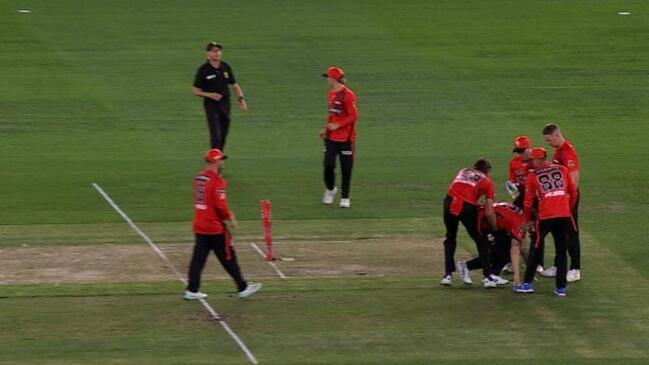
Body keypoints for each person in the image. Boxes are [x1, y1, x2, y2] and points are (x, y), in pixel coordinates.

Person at [184, 148, 261, 300]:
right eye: (221, 159)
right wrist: (229, 218)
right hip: (214, 227)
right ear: (215, 161)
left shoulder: (199, 178)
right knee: (228, 256)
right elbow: (220, 205)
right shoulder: (218, 181)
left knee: (198, 258)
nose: (223, 162)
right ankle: (242, 287)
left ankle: (192, 289)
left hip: (200, 224)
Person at [515, 147, 577, 296]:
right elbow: (573, 192)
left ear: (538, 159)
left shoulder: (532, 176)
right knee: (561, 251)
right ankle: (561, 288)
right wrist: (568, 208)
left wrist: (527, 220)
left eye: (533, 160)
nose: (531, 163)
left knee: (535, 248)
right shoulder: (562, 169)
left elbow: (528, 202)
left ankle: (527, 284)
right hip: (563, 215)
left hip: (545, 216)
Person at [441, 158, 500, 288]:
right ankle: (487, 277)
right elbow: (489, 210)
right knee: (480, 239)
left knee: (450, 237)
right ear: (487, 170)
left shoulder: (463, 171)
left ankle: (447, 275)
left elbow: (462, 190)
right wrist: (494, 227)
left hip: (449, 201)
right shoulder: (486, 180)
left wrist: (473, 202)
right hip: (466, 207)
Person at [540, 123, 581, 282]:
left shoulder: (568, 153)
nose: (548, 144)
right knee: (560, 232)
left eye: (549, 140)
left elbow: (574, 179)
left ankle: (575, 269)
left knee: (572, 232)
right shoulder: (559, 151)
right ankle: (559, 266)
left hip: (569, 199)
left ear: (557, 135)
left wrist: (568, 201)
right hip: (560, 198)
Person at [192, 42, 248, 150]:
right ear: (208, 53)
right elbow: (195, 90)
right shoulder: (203, 70)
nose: (217, 53)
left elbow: (234, 84)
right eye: (214, 51)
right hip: (211, 105)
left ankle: (218, 156)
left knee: (223, 132)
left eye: (218, 50)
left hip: (225, 104)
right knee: (216, 134)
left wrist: (241, 99)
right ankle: (215, 160)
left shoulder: (225, 67)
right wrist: (209, 95)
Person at [457, 202, 526, 286]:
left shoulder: (521, 215)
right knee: (492, 252)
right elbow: (516, 249)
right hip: (482, 222)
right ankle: (467, 267)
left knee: (504, 249)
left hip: (493, 222)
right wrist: (517, 275)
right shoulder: (520, 222)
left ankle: (493, 274)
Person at [319, 66, 358, 208]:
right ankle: (330, 189)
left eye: (328, 77)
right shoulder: (330, 94)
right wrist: (326, 128)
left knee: (346, 168)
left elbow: (354, 116)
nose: (327, 79)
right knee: (328, 165)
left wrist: (338, 125)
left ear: (334, 78)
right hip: (330, 138)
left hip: (346, 139)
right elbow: (332, 115)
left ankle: (345, 197)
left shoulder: (348, 95)